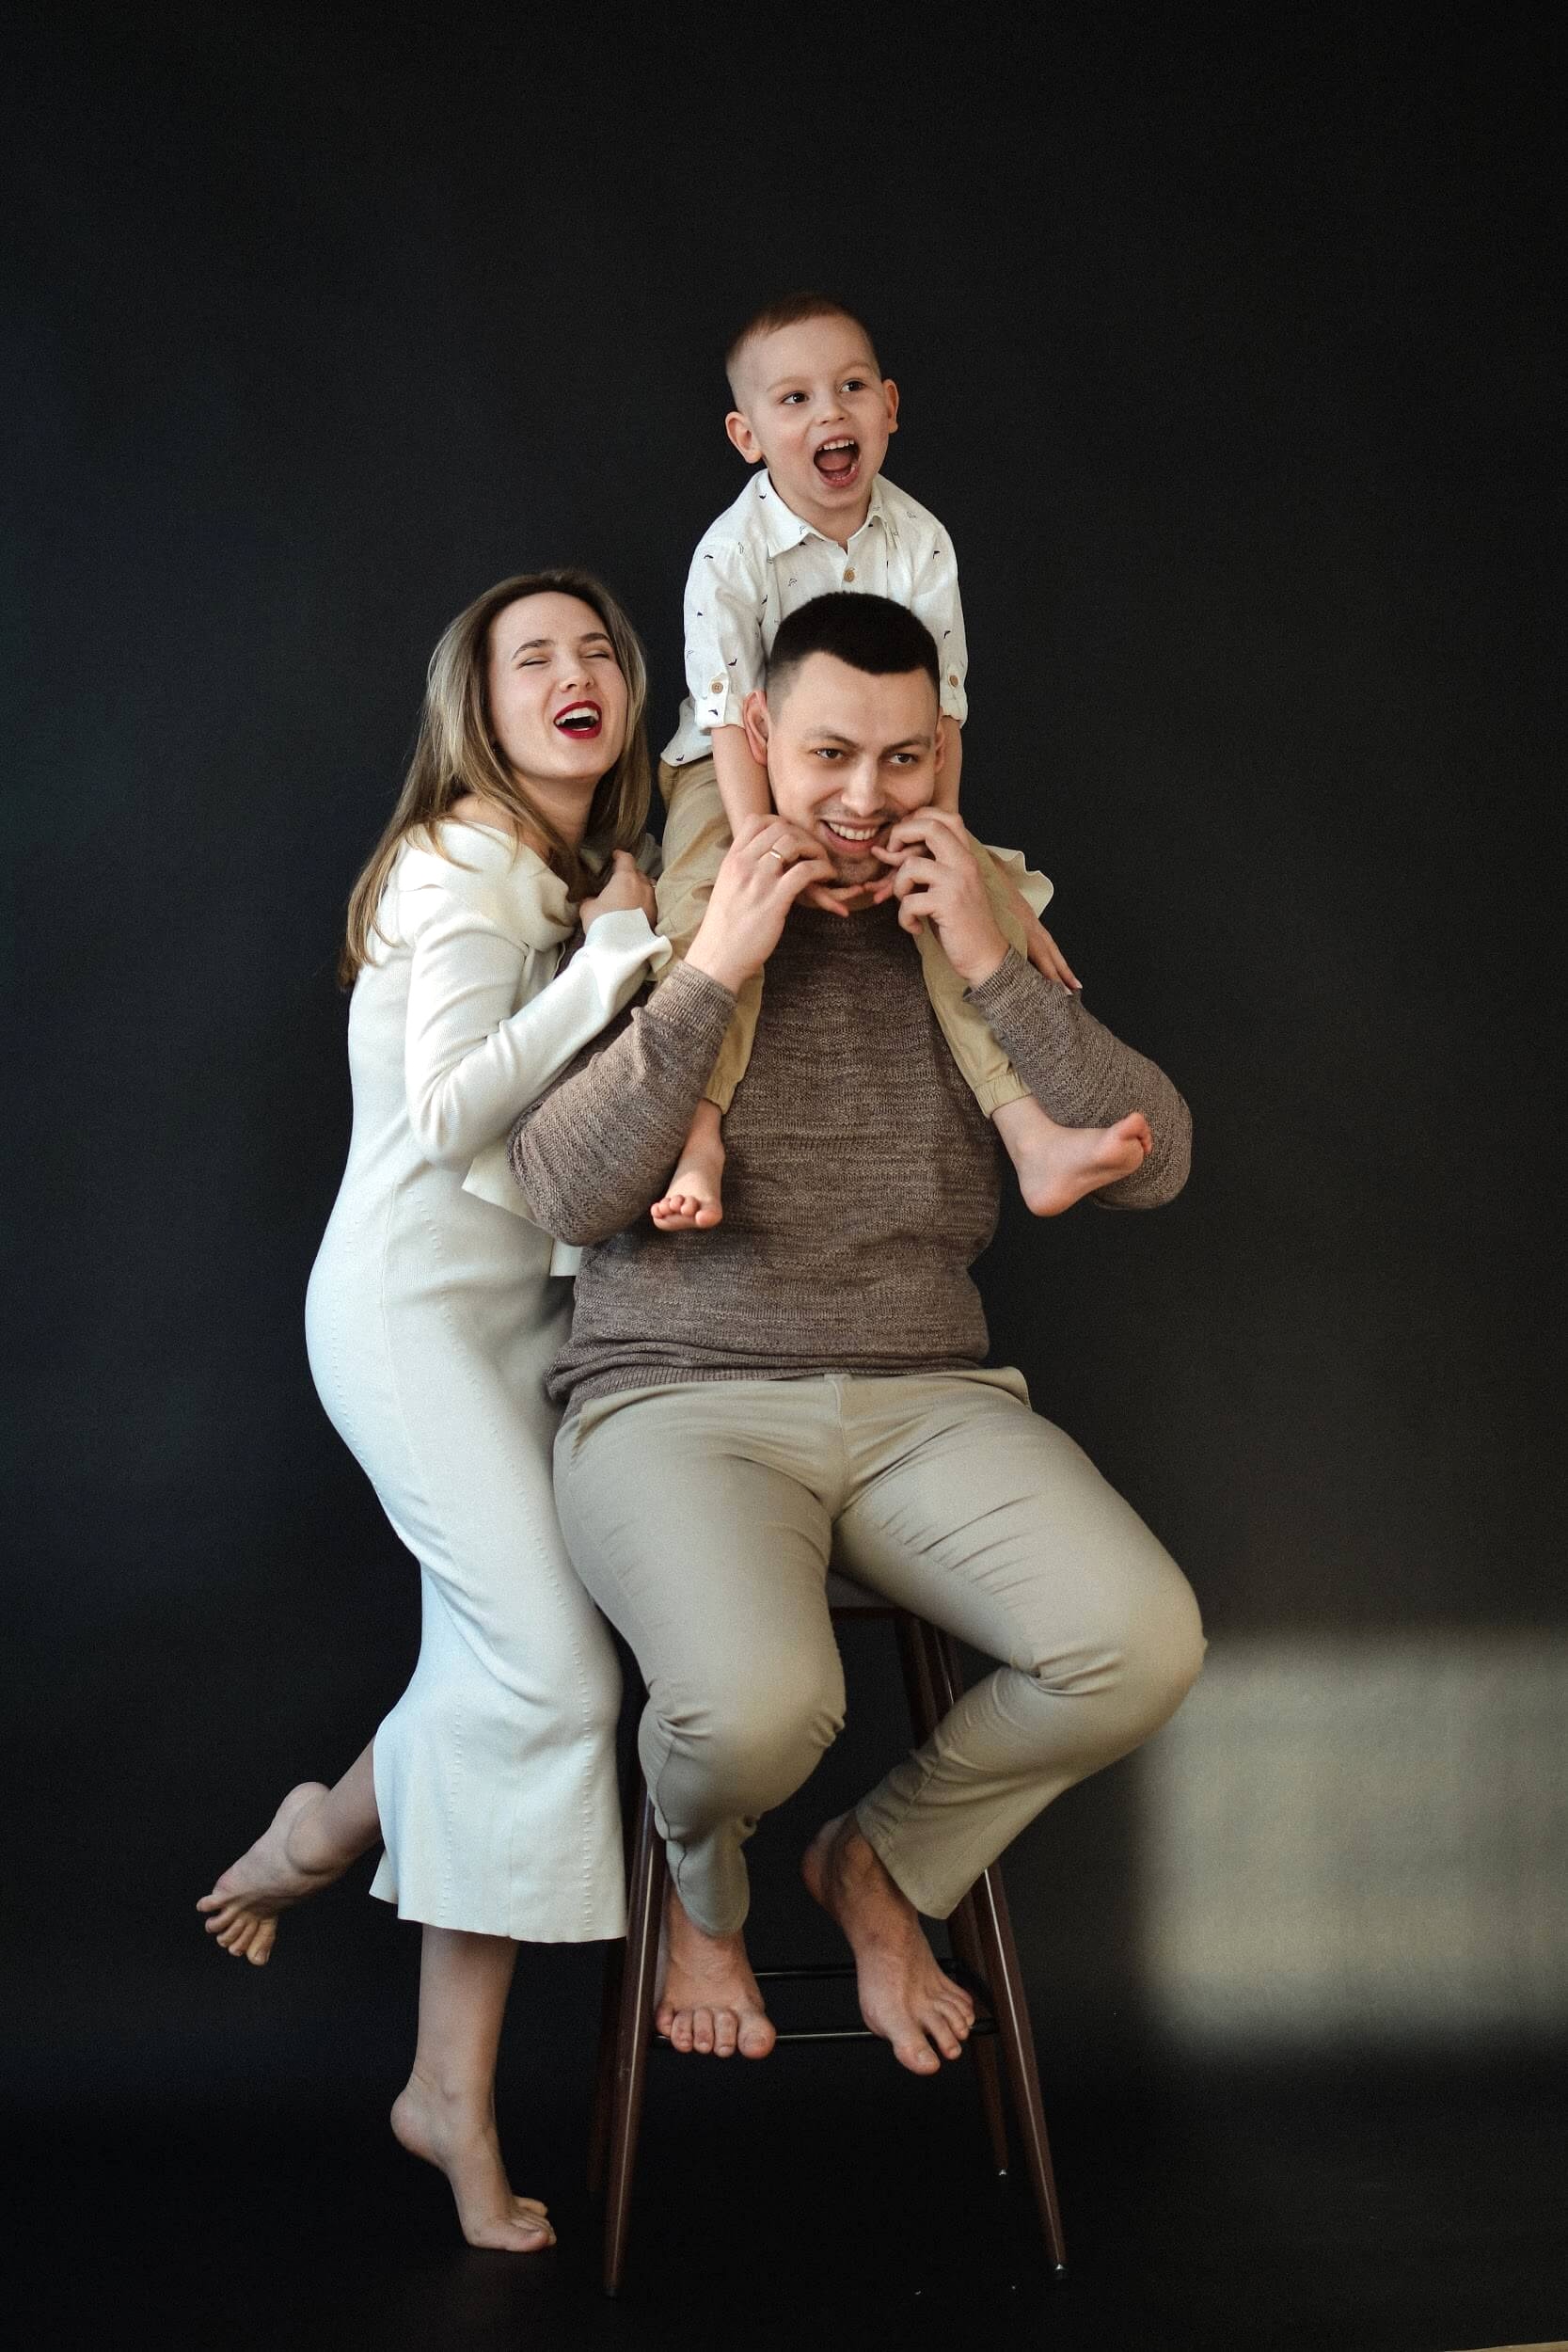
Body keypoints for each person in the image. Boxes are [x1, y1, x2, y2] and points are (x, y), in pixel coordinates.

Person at [510, 592, 1205, 2072]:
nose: (864, 800)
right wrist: (712, 968)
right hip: (675, 1401)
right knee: (755, 1713)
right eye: (829, 755)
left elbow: (1158, 1161)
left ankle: (880, 1867)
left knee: (1137, 1643)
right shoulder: (666, 903)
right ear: (758, 735)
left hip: (927, 1399)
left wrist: (992, 961)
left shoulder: (970, 911)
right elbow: (559, 1186)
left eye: (901, 759)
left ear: (943, 747)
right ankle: (702, 1895)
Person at [197, 569, 670, 2250]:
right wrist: (613, 962)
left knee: (497, 1686)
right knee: (552, 1677)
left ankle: (443, 2097)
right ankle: (322, 1829)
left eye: (595, 650)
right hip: (409, 1317)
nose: (573, 674)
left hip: (519, 1320)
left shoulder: (575, 869)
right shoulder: (462, 859)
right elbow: (460, 1110)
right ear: (475, 706)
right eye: (530, 657)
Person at [651, 291, 1132, 1234]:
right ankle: (697, 1132)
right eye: (793, 399)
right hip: (733, 763)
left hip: (881, 763)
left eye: (850, 388)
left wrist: (943, 836)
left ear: (890, 408)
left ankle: (1028, 1132)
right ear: (747, 436)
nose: (828, 413)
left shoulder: (920, 540)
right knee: (710, 908)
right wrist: (762, 844)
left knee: (959, 894)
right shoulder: (728, 556)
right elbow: (728, 718)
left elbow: (942, 711)